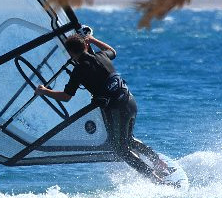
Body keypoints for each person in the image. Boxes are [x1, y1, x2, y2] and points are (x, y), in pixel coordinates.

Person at [34, 32, 164, 178]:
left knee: (120, 149)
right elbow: (113, 51)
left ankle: (153, 176)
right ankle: (158, 162)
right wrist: (92, 39)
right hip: (130, 101)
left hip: (117, 108)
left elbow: (65, 97)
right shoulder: (101, 56)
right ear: (86, 45)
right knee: (128, 139)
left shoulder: (79, 70)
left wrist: (44, 91)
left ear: (70, 53)